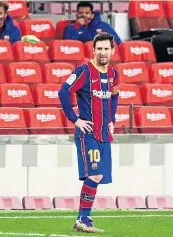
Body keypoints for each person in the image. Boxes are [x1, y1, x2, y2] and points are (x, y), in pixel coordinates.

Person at [58, 32, 119, 233]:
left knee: (97, 177)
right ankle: (84, 219)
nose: (102, 52)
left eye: (106, 48)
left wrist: (112, 119)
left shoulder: (113, 74)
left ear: (112, 50)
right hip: (88, 134)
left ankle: (80, 220)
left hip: (104, 135)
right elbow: (63, 91)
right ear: (93, 50)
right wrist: (75, 120)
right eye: (99, 48)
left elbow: (114, 95)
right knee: (96, 174)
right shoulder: (84, 72)